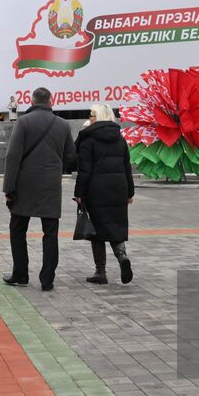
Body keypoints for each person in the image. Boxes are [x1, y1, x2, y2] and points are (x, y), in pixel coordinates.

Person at [2, 87, 76, 290]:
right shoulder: (62, 124)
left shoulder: (23, 122)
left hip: (24, 184)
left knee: (17, 229)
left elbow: (12, 156)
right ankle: (47, 279)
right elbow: (71, 157)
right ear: (51, 101)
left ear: (32, 101)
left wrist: (9, 188)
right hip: (51, 185)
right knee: (50, 233)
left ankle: (21, 274)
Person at [74, 104, 134, 285]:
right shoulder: (120, 139)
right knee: (115, 225)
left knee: (97, 231)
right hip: (118, 189)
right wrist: (130, 192)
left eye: (92, 115)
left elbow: (84, 169)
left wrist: (79, 193)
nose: (90, 118)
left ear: (98, 117)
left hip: (96, 191)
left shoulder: (88, 139)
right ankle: (122, 257)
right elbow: (127, 168)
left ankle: (100, 272)